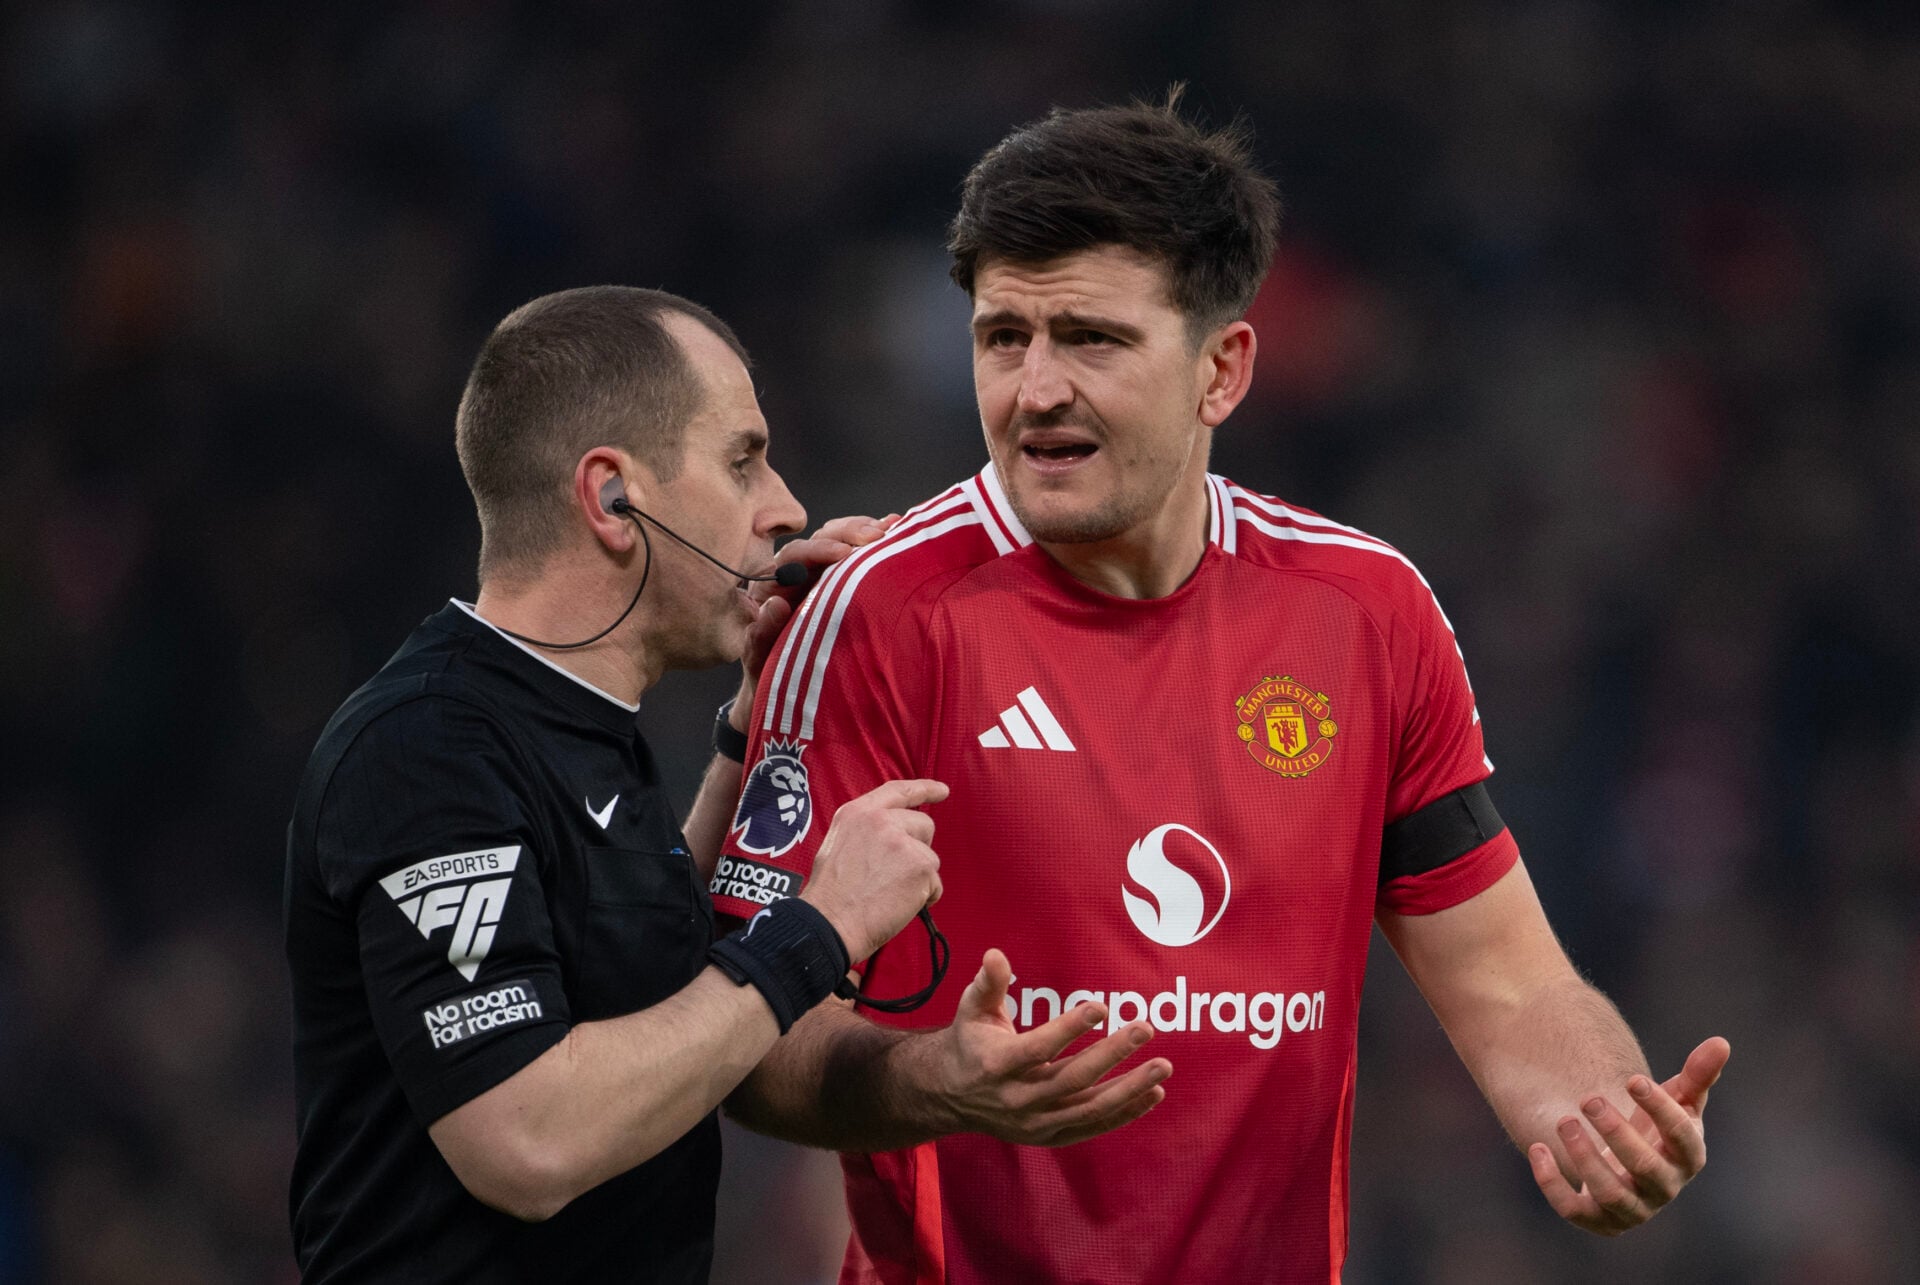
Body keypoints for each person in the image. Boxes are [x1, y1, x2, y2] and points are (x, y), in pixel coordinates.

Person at [710, 98, 1731, 1281]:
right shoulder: (875, 614)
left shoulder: (1366, 613)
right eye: (1003, 337)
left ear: (1222, 370)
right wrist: (936, 1079)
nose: (1034, 390)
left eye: (1091, 339)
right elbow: (747, 1041)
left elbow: (1511, 980)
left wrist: (1597, 1115)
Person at [283, 287, 1157, 1283]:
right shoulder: (427, 748)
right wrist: (819, 927)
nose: (785, 506)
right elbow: (526, 1138)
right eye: (743, 459)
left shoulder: (570, 727)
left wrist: (750, 727)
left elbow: (643, 972)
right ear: (613, 499)